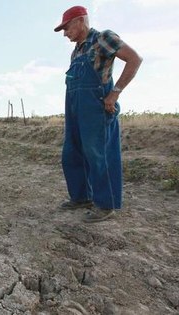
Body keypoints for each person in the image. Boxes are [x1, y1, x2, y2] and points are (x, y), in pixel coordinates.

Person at [54, 6, 142, 222]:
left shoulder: (103, 38)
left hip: (96, 106)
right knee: (71, 152)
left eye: (66, 28)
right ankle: (82, 196)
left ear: (80, 21)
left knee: (98, 153)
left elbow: (134, 59)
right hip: (75, 106)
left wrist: (115, 93)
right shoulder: (76, 51)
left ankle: (105, 204)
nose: (65, 33)